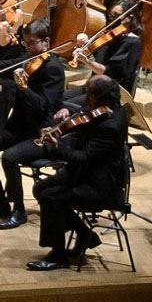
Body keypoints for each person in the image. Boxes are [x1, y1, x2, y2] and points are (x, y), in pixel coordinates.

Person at [0, 20, 65, 229]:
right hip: (19, 129)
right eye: (25, 43)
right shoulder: (29, 59)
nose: (27, 48)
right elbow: (12, 61)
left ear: (46, 42)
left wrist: (23, 89)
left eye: (32, 43)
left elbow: (43, 106)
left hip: (41, 135)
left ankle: (19, 210)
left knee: (9, 157)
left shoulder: (54, 69)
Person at [29, 77, 129, 271]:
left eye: (89, 94)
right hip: (85, 174)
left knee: (51, 198)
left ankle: (58, 256)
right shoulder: (104, 111)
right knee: (40, 187)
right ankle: (85, 234)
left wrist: (57, 146)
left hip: (100, 186)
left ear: (102, 97)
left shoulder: (110, 126)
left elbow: (83, 157)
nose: (85, 99)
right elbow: (82, 132)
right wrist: (60, 129)